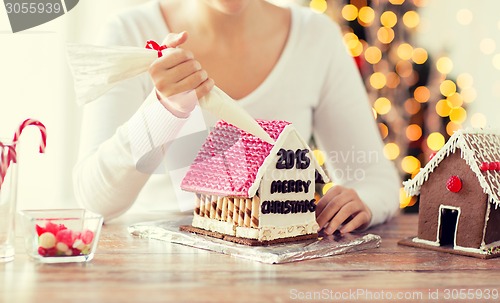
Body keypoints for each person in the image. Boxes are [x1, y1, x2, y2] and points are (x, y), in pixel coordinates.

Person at [73, 0, 400, 234]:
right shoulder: (131, 33)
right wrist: (163, 112)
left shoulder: (317, 37)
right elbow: (96, 200)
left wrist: (362, 202)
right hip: (155, 271)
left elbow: (376, 179)